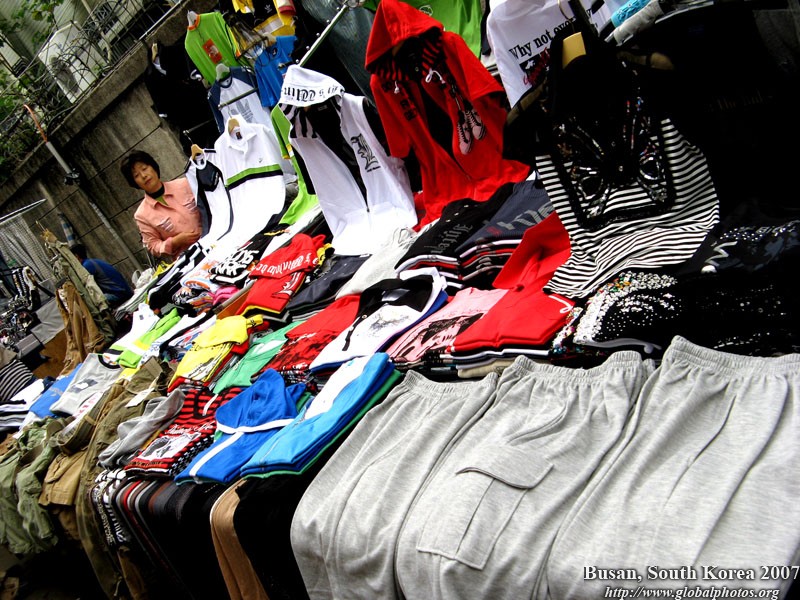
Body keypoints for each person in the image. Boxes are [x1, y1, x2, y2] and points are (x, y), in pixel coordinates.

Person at [120, 150, 202, 261]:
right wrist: (175, 242)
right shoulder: (142, 215)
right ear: (134, 182)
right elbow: (153, 246)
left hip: (215, 239)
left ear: (153, 167)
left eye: (144, 168)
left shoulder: (184, 184)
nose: (144, 176)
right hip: (189, 258)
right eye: (136, 175)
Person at [70, 244, 134, 308]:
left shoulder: (87, 266)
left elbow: (84, 286)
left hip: (118, 294)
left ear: (76, 256)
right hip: (123, 291)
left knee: (91, 304)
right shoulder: (93, 261)